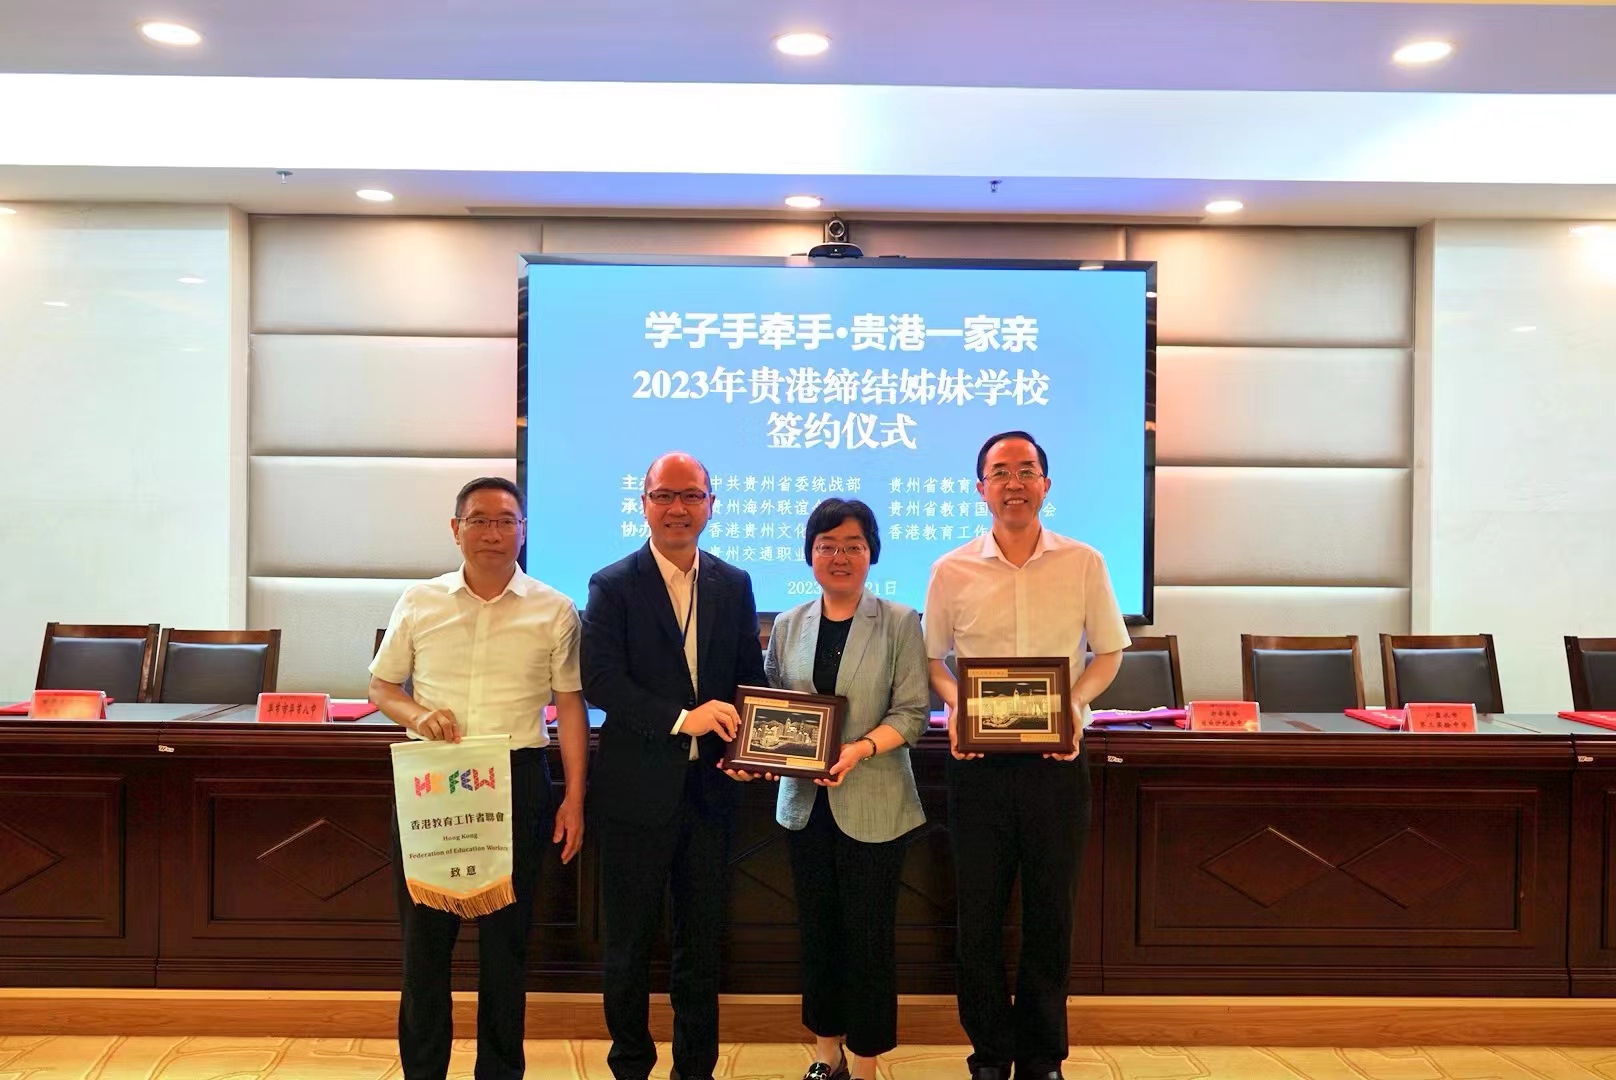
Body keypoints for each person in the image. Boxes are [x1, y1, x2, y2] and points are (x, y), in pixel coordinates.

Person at [923, 432, 1130, 1080]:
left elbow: (1109, 653)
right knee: (978, 918)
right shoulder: (950, 569)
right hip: (978, 770)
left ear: (1046, 484)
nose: (1014, 483)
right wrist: (959, 707)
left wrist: (1073, 705)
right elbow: (932, 661)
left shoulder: (1084, 562)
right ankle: (989, 1054)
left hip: (1055, 767)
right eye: (1000, 472)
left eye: (1026, 470)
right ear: (980, 488)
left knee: (1050, 916)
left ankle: (1042, 1058)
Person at [369, 475, 589, 1080]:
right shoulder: (420, 601)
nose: (493, 533)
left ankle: (499, 1071)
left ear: (524, 530)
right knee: (424, 945)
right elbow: (382, 686)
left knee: (506, 947)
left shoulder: (554, 608)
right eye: (479, 520)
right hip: (434, 783)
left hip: (516, 780)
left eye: (505, 521)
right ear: (456, 529)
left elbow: (570, 704)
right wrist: (417, 714)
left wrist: (574, 796)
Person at [581, 451, 767, 1080]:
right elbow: (601, 680)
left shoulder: (732, 583)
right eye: (664, 496)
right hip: (635, 792)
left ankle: (696, 1067)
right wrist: (681, 719)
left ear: (711, 505)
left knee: (701, 941)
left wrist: (750, 747)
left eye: (691, 496)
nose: (677, 508)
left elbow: (748, 678)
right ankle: (630, 1064)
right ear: (644, 504)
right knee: (629, 941)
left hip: (711, 791)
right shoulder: (613, 584)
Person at [745, 498, 929, 1080]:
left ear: (872, 553)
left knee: (869, 937)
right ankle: (827, 1051)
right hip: (805, 805)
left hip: (875, 799)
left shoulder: (899, 621)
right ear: (810, 555)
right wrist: (765, 749)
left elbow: (912, 713)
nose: (839, 556)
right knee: (818, 931)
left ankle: (866, 1059)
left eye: (853, 545)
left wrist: (858, 749)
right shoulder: (788, 624)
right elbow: (773, 705)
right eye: (827, 545)